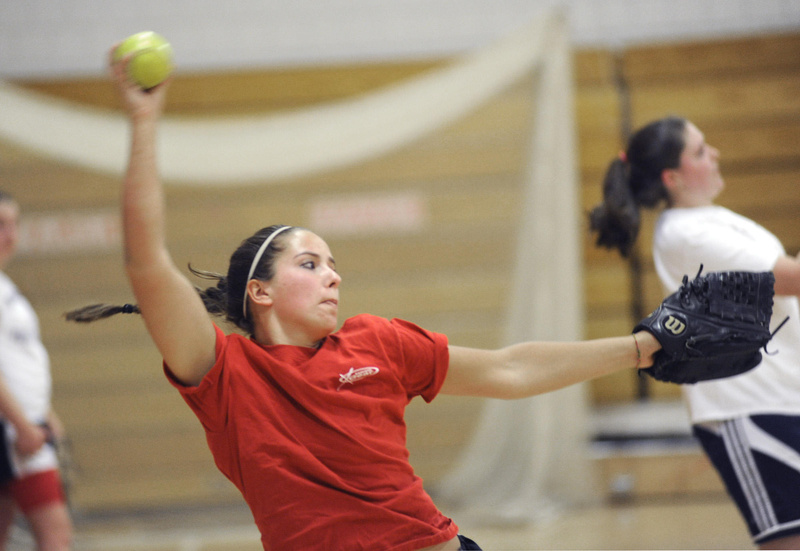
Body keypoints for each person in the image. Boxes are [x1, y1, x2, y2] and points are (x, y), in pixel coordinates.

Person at [67, 46, 662, 551]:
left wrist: (639, 347)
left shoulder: (376, 340)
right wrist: (144, 124)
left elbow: (509, 369)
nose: (333, 277)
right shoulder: (226, 376)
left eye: (333, 265)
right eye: (310, 263)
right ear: (260, 292)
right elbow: (145, 263)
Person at [589, 115, 800, 550]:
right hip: (748, 407)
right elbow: (790, 278)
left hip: (781, 397)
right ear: (674, 177)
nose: (716, 154)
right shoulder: (687, 233)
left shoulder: (716, 220)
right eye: (701, 151)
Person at [0, 191, 73, 551]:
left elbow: (16, 361)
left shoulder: (6, 287)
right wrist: (23, 426)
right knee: (55, 534)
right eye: (0, 225)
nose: (10, 235)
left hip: (25, 428)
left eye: (14, 224)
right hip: (15, 435)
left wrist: (45, 414)